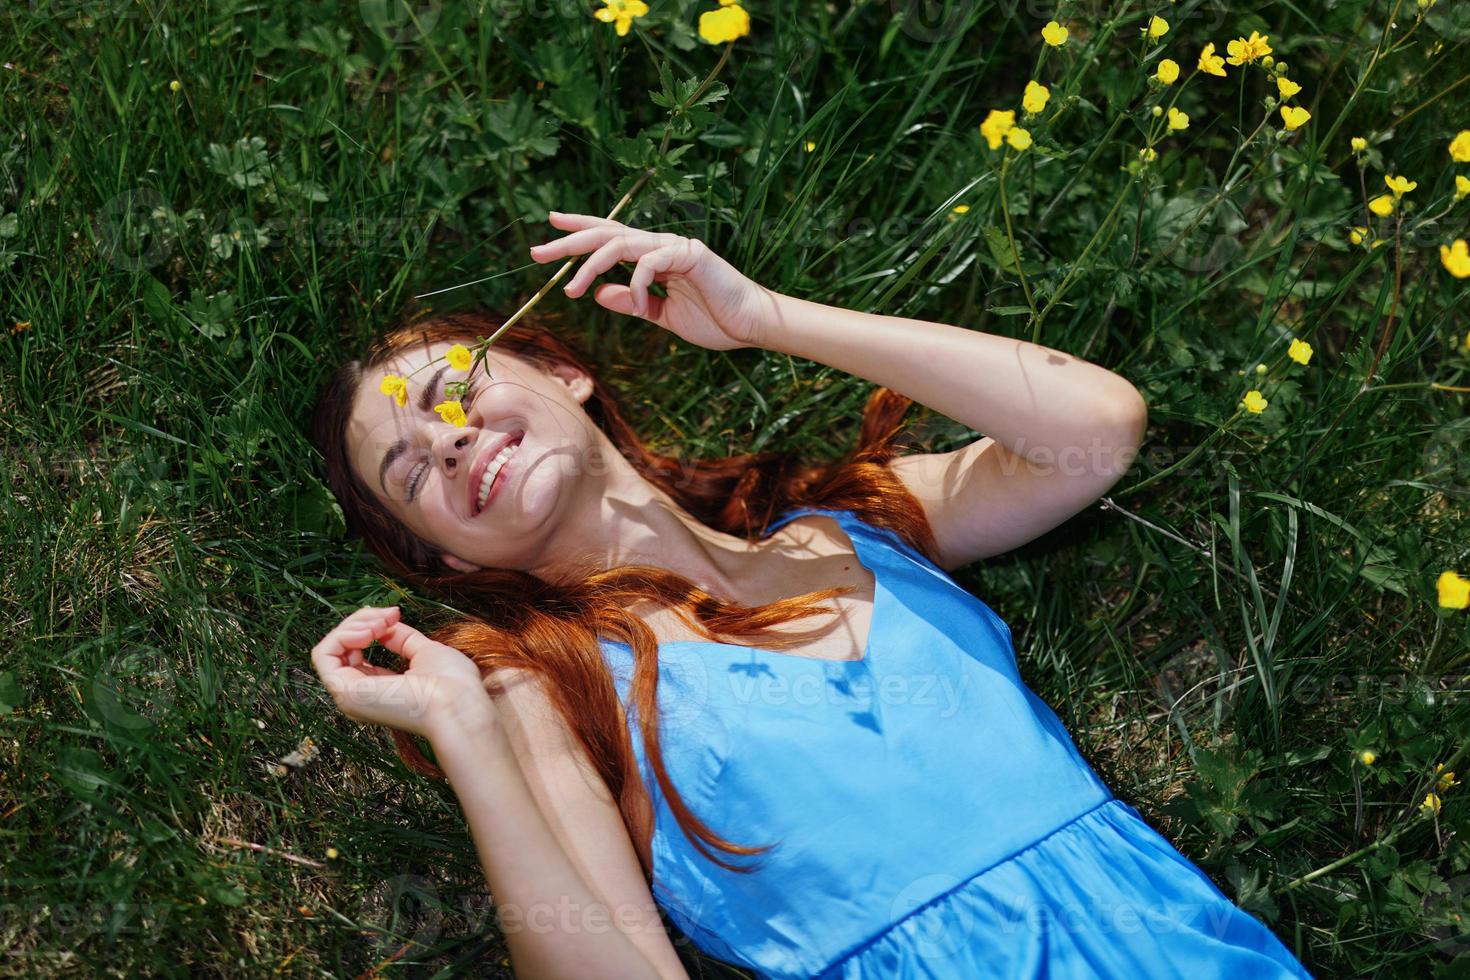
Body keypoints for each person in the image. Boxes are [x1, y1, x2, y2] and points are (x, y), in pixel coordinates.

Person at [308, 212, 1314, 978]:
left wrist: (764, 318)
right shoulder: (542, 682)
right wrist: (461, 727)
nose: (447, 439)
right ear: (436, 556)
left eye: (456, 393)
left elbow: (1096, 426)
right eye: (410, 474)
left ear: (563, 369)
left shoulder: (852, 522)